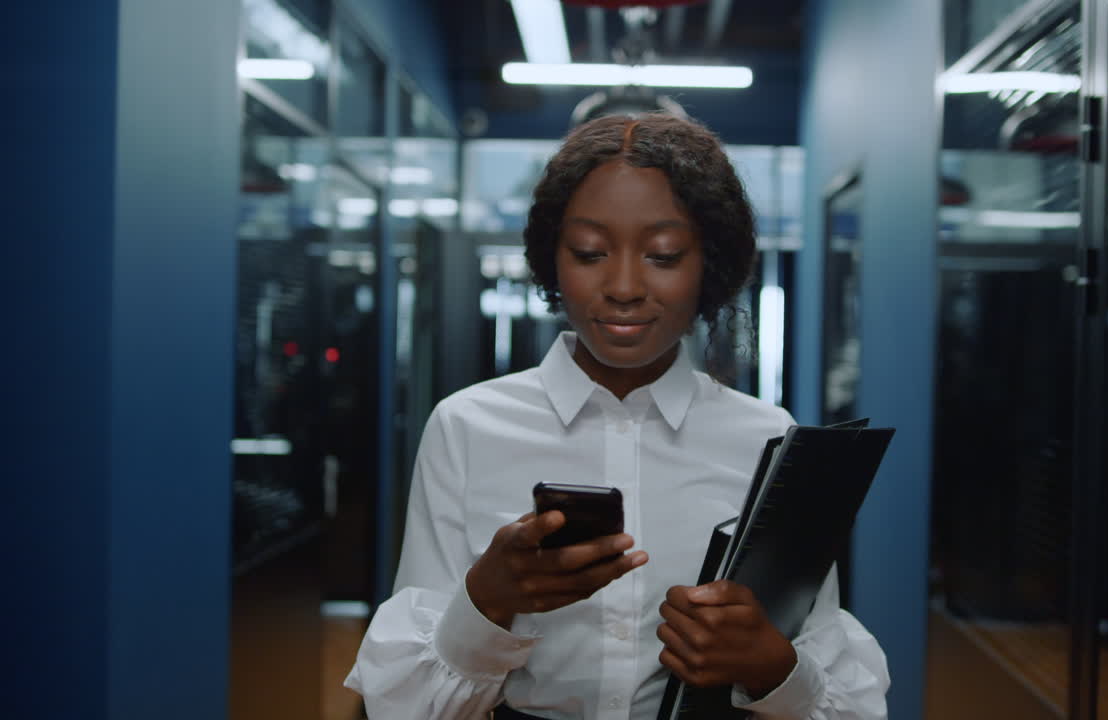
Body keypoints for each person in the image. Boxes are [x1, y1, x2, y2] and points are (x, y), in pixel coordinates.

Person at [345, 113, 889, 719]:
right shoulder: (466, 427)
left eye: (663, 255)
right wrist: (484, 603)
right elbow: (407, 707)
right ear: (552, 258)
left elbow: (842, 701)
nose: (624, 285)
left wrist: (772, 667)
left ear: (709, 263)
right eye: (589, 252)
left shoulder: (769, 439)